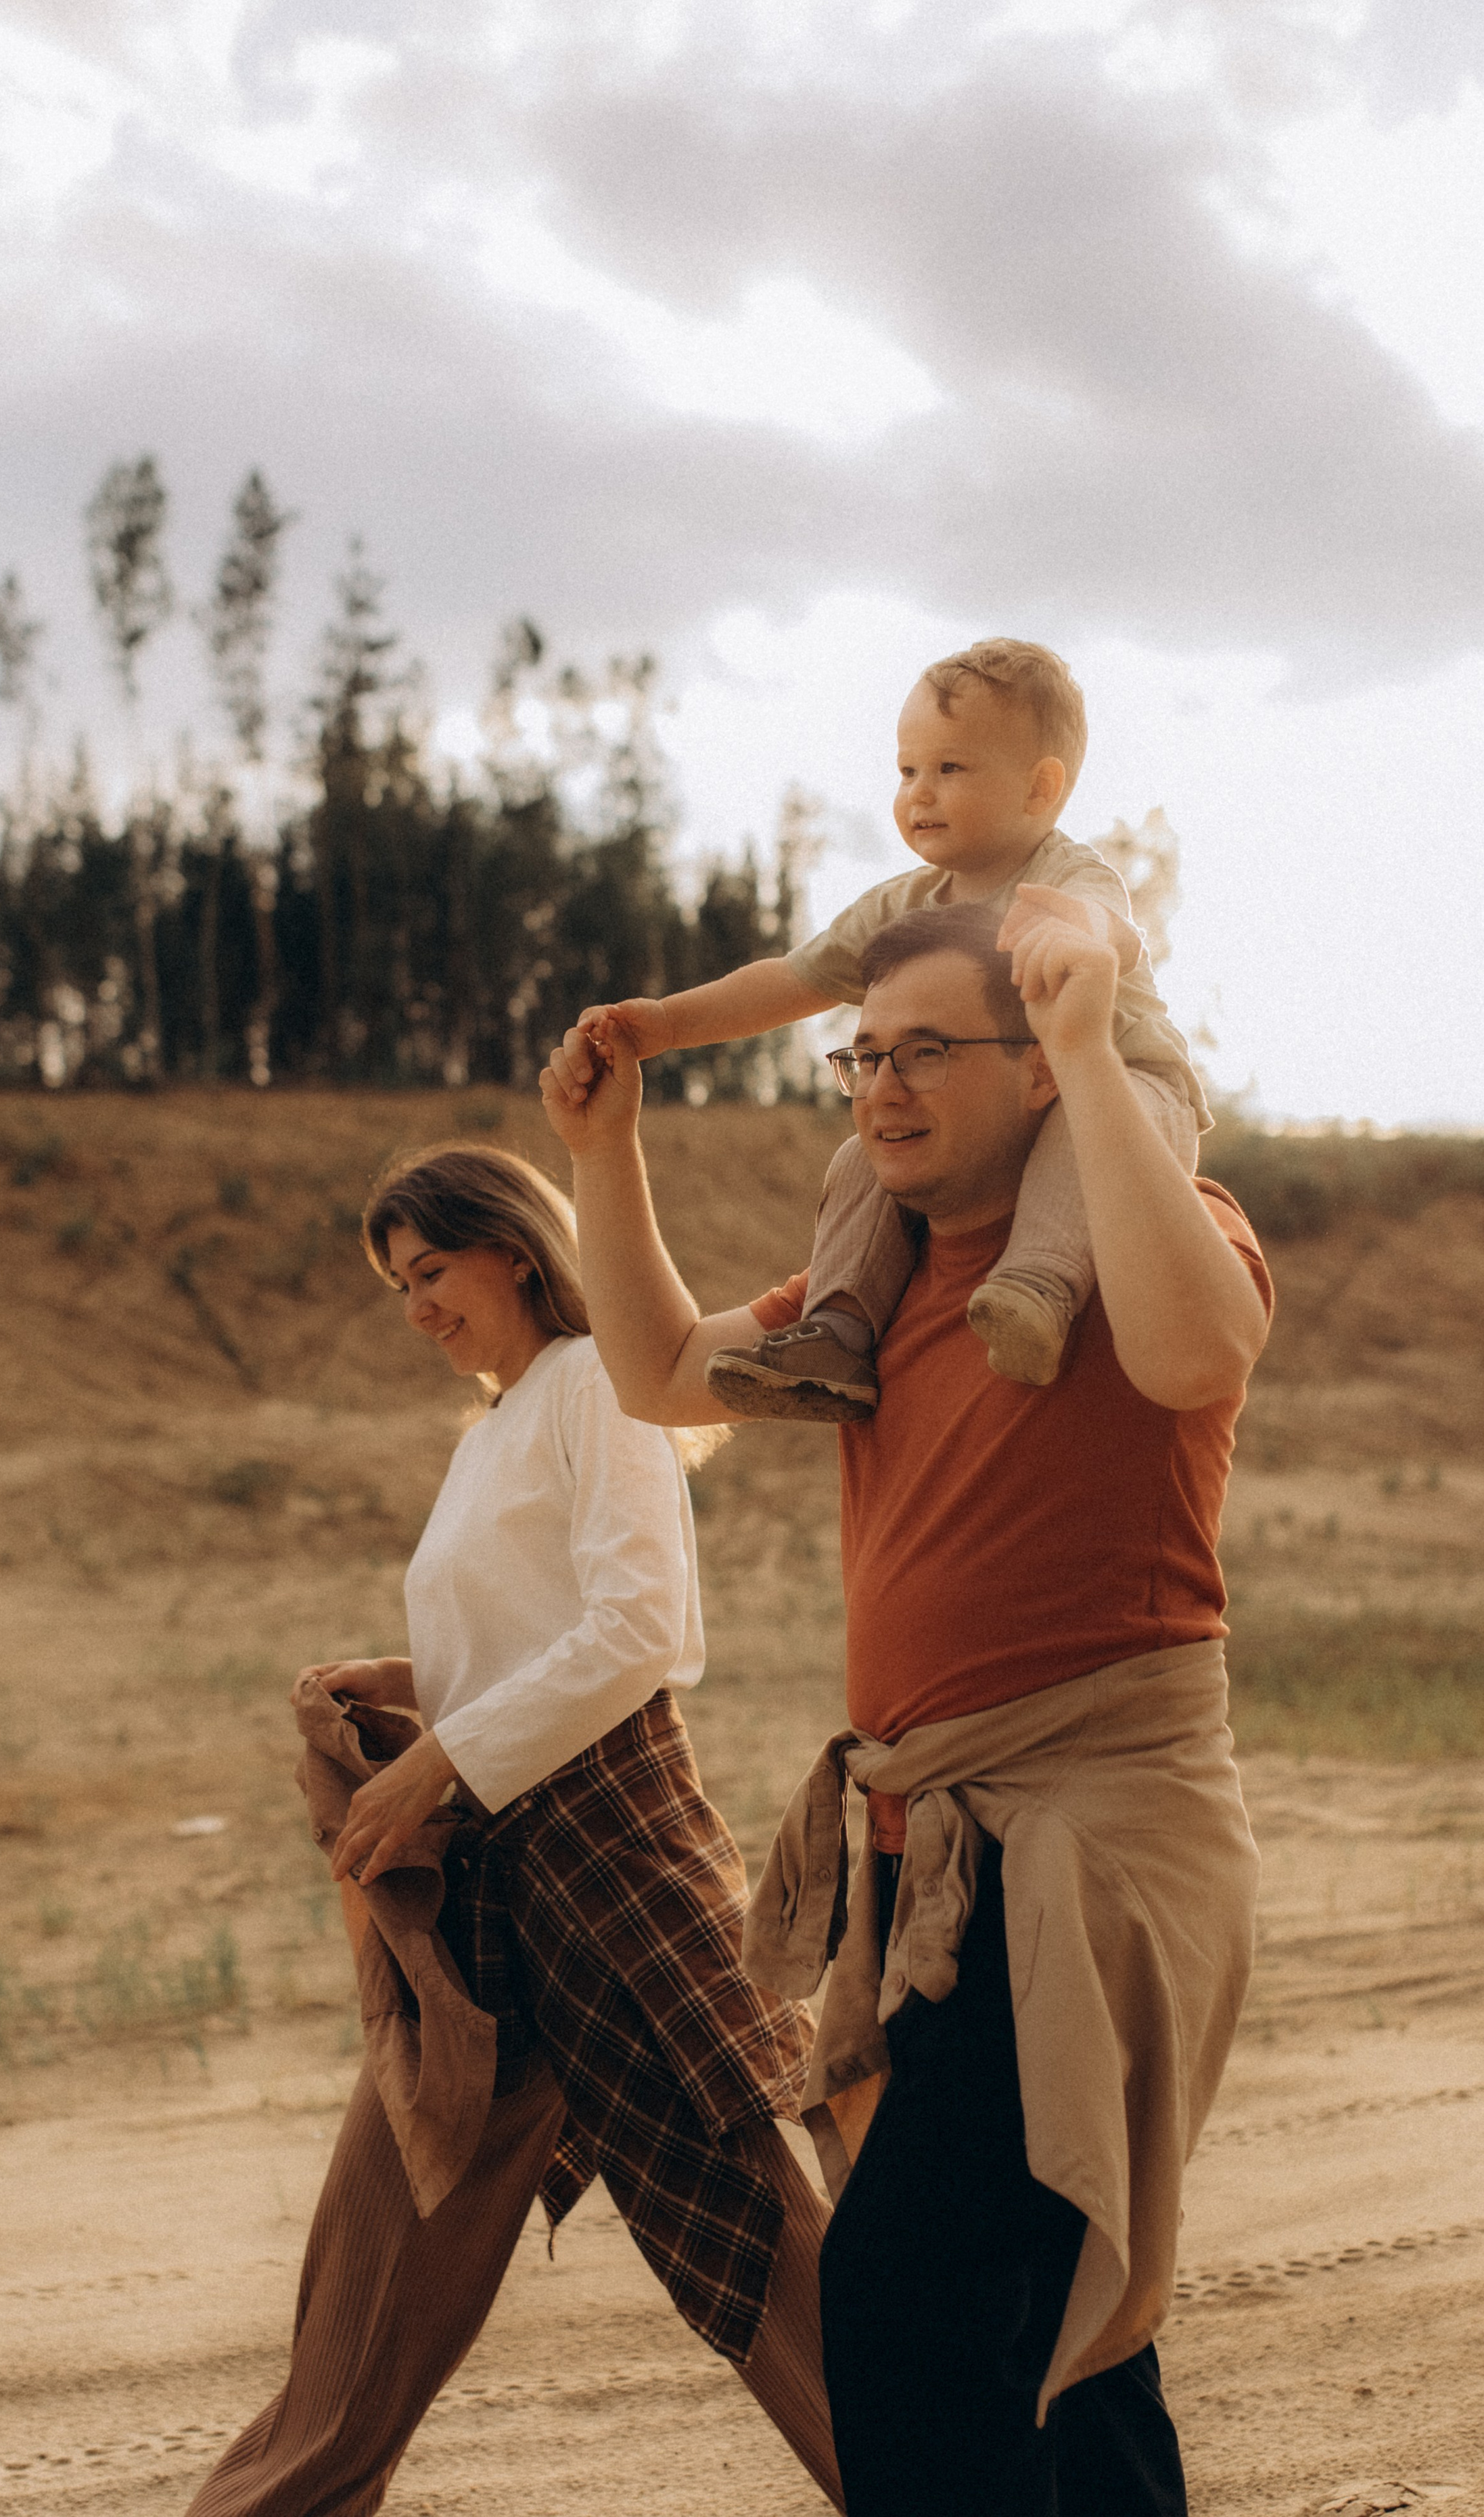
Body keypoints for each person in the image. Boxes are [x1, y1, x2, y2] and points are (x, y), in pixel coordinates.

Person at [541, 900, 1272, 2517]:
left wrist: (1091, 1045)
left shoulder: (1142, 1236)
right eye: (860, 1054)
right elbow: (659, 1369)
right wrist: (604, 1151)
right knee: (1058, 2339)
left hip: (1090, 1838)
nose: (880, 1084)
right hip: (924, 1853)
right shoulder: (859, 1309)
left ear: (1032, 1074)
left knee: (906, 2294)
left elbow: (1196, 1351)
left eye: (926, 1050)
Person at [185, 1142, 843, 2517]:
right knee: (376, 2253)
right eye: (395, 1285)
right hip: (492, 1904)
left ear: (517, 1251)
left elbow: (637, 1634)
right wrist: (406, 1684)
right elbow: (535, 1640)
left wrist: (434, 1766)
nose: (416, 1306)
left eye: (430, 1270)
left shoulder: (598, 1392)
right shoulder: (496, 1428)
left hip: (608, 1864)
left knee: (755, 2250)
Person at [572, 637, 1208, 1407]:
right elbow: (790, 980)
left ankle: (1034, 1292)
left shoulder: (1065, 876)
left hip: (1126, 1094)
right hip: (1002, 1113)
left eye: (949, 769)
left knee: (1078, 1131)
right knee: (861, 1157)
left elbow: (1114, 929)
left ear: (1040, 789)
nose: (919, 793)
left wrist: (1077, 931)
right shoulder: (903, 905)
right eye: (907, 771)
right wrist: (666, 1026)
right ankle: (838, 1330)